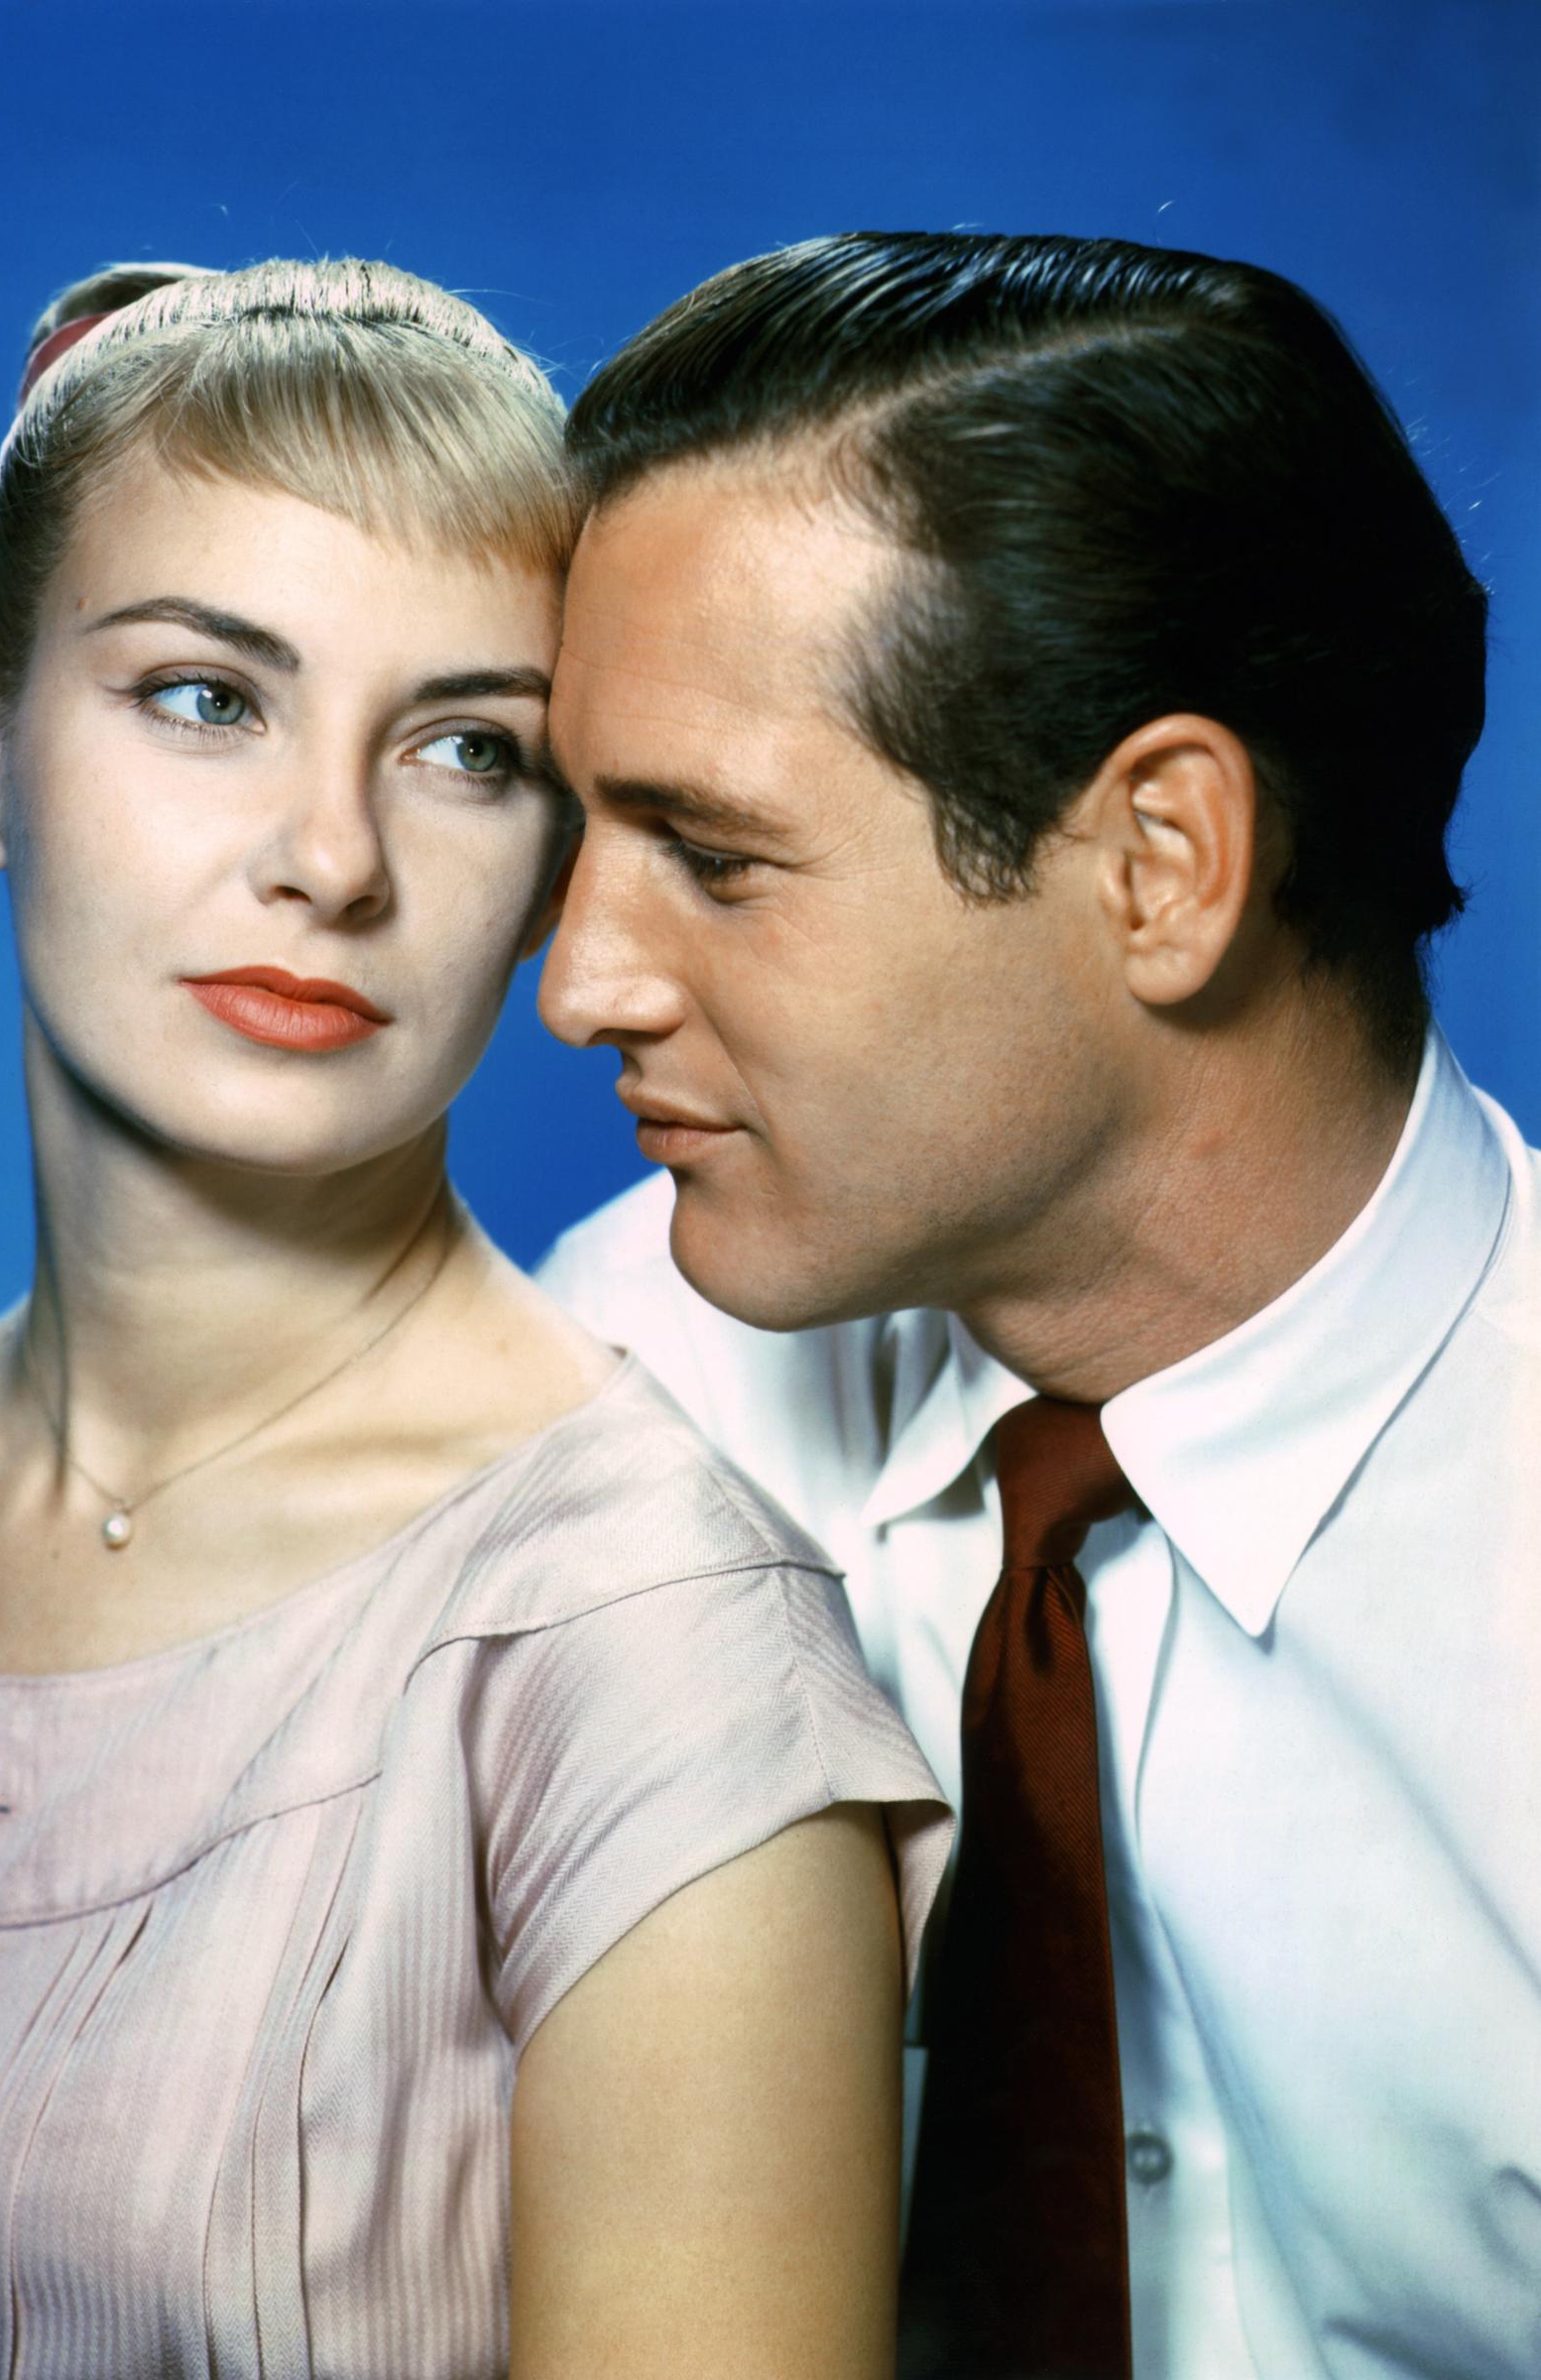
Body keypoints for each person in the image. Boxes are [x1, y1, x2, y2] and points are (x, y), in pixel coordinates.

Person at [0, 255, 954, 2380]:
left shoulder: (646, 1648)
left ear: (552, 858)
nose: (329, 857)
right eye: (203, 696)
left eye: (461, 749)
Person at [535, 231, 1539, 2380]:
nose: (574, 984)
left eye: (709, 855)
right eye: (574, 832)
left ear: (1160, 863)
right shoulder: (616, 1383)